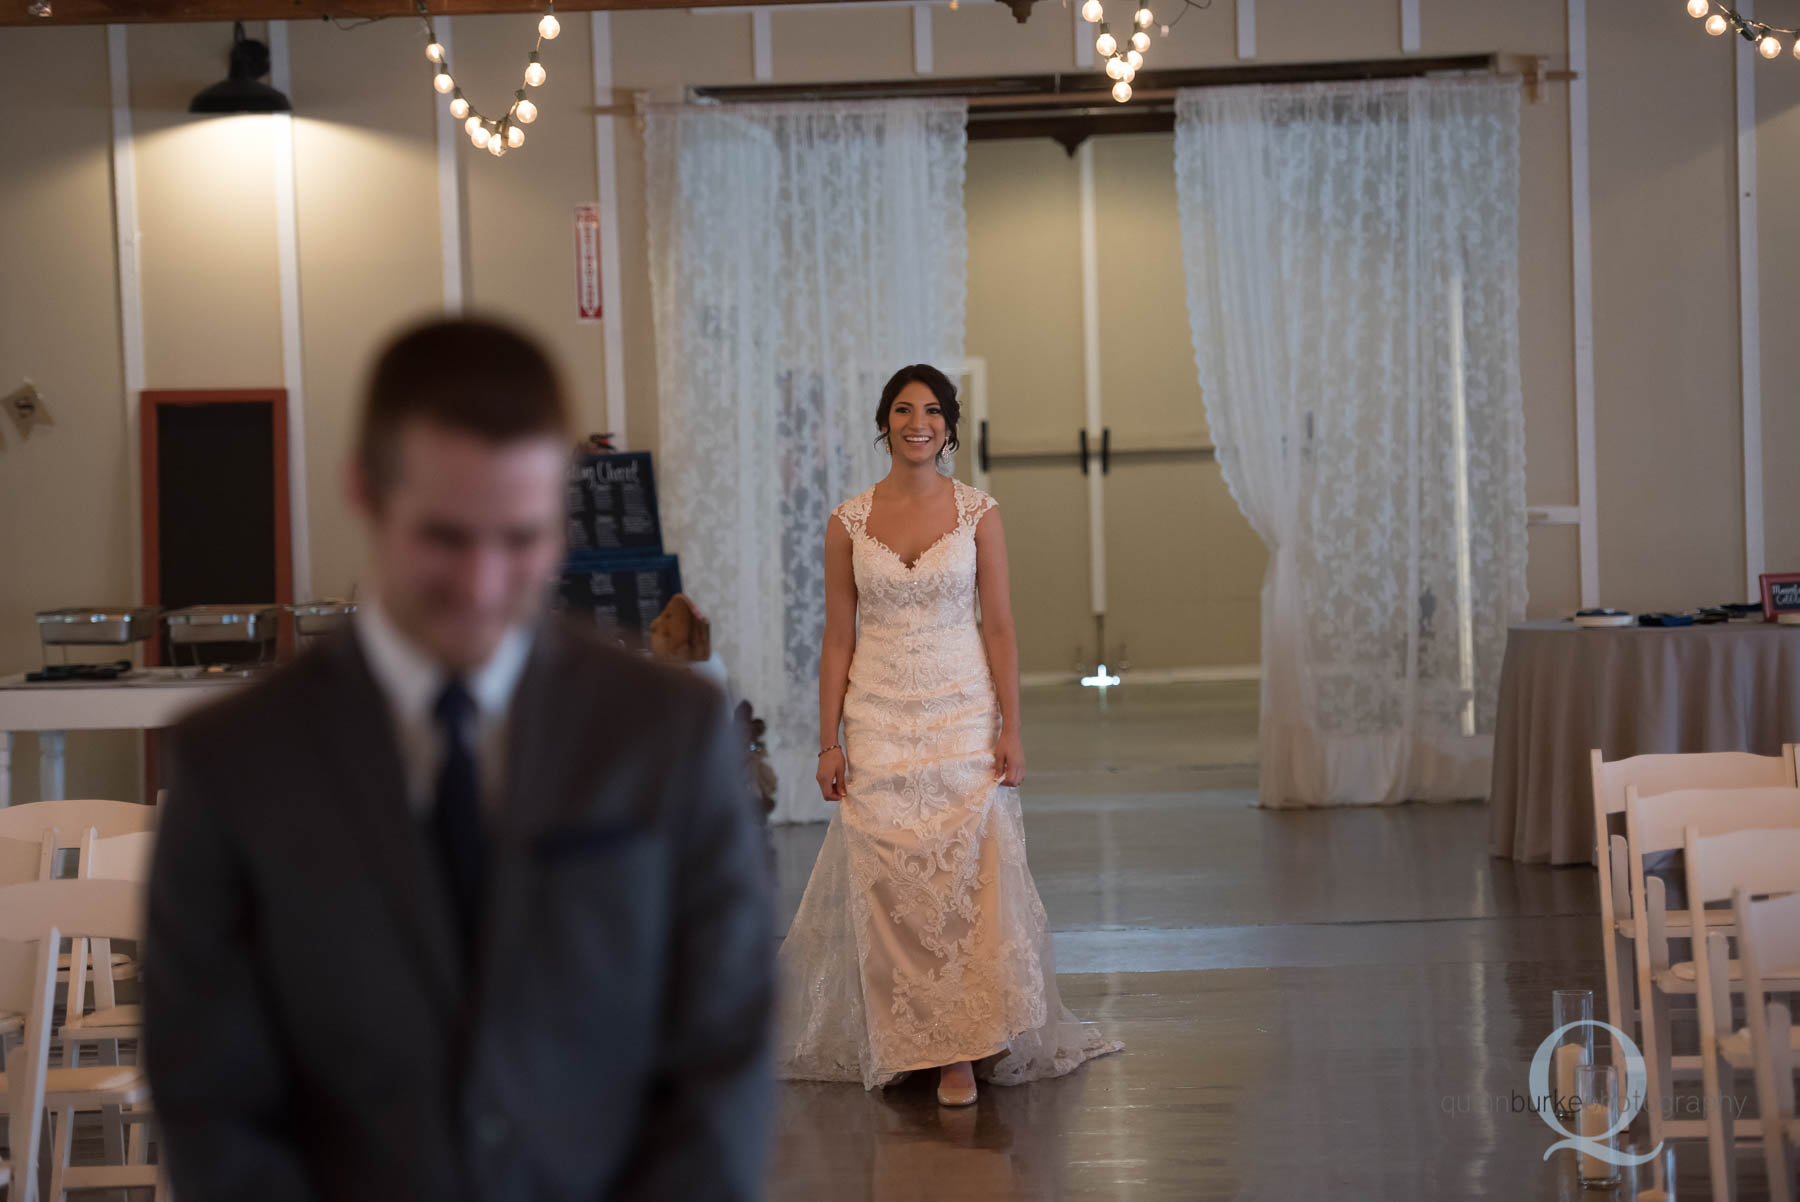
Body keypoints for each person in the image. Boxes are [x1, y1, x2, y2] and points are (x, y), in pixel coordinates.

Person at [143, 317, 775, 1202]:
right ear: (364, 490)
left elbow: (720, 1061)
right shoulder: (235, 762)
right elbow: (212, 1099)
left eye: (520, 540)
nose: (481, 586)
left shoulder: (668, 735)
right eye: (443, 537)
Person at [775, 363, 1122, 1107]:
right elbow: (838, 637)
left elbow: (999, 624)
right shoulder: (847, 521)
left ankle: (964, 1045)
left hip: (962, 709)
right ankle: (911, 1039)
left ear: (949, 425)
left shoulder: (978, 514)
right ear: (884, 423)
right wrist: (827, 740)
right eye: (902, 410)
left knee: (967, 870)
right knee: (890, 877)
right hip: (878, 713)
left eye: (931, 410)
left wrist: (1013, 729)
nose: (916, 422)